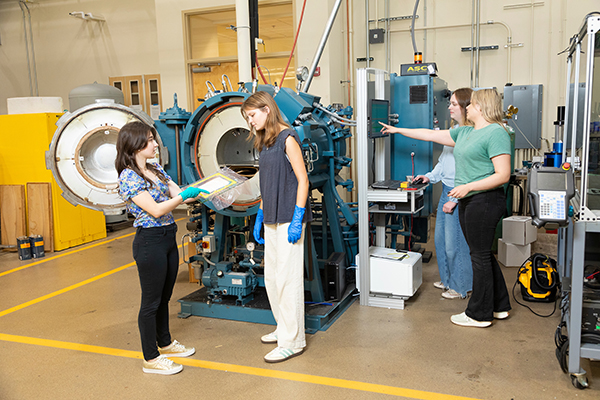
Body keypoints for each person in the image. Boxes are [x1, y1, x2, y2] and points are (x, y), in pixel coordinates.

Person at [380, 89, 512, 328]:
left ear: (481, 107)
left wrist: (467, 187)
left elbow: (503, 175)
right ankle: (500, 305)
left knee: (479, 256)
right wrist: (398, 130)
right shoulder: (466, 132)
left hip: (485, 201)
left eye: (470, 104)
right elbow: (430, 135)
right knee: (482, 254)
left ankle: (479, 314)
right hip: (470, 199)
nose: (466, 108)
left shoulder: (496, 132)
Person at [116, 121, 203, 374]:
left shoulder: (156, 169)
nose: (156, 144)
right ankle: (151, 358)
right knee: (151, 302)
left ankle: (164, 343)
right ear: (135, 145)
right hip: (149, 241)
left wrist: (204, 188)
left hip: (167, 237)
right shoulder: (129, 176)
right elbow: (155, 209)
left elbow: (179, 192)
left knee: (165, 297)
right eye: (151, 140)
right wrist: (183, 197)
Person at [241, 91, 312, 362]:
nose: (250, 122)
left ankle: (293, 341)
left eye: (252, 115)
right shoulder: (264, 141)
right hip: (271, 215)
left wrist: (298, 217)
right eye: (247, 117)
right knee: (271, 277)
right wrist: (260, 213)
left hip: (288, 217)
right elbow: (266, 182)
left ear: (267, 110)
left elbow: (303, 180)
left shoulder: (288, 138)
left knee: (288, 279)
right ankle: (283, 327)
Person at [414, 88, 473, 300]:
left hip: (458, 192)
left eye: (454, 104)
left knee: (455, 243)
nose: (449, 107)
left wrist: (455, 199)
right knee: (440, 241)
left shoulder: (469, 134)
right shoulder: (455, 129)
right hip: (447, 189)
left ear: (466, 107)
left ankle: (461, 286)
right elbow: (444, 162)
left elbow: (469, 172)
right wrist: (430, 176)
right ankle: (448, 280)